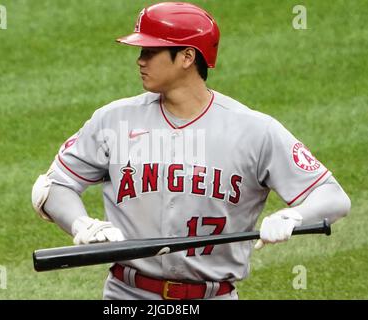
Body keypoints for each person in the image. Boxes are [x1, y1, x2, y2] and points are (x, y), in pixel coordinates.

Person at [31, 2, 351, 300]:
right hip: (127, 295)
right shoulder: (113, 120)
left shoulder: (254, 131)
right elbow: (53, 186)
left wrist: (295, 214)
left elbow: (332, 196)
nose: (140, 59)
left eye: (151, 50)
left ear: (186, 57)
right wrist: (82, 224)